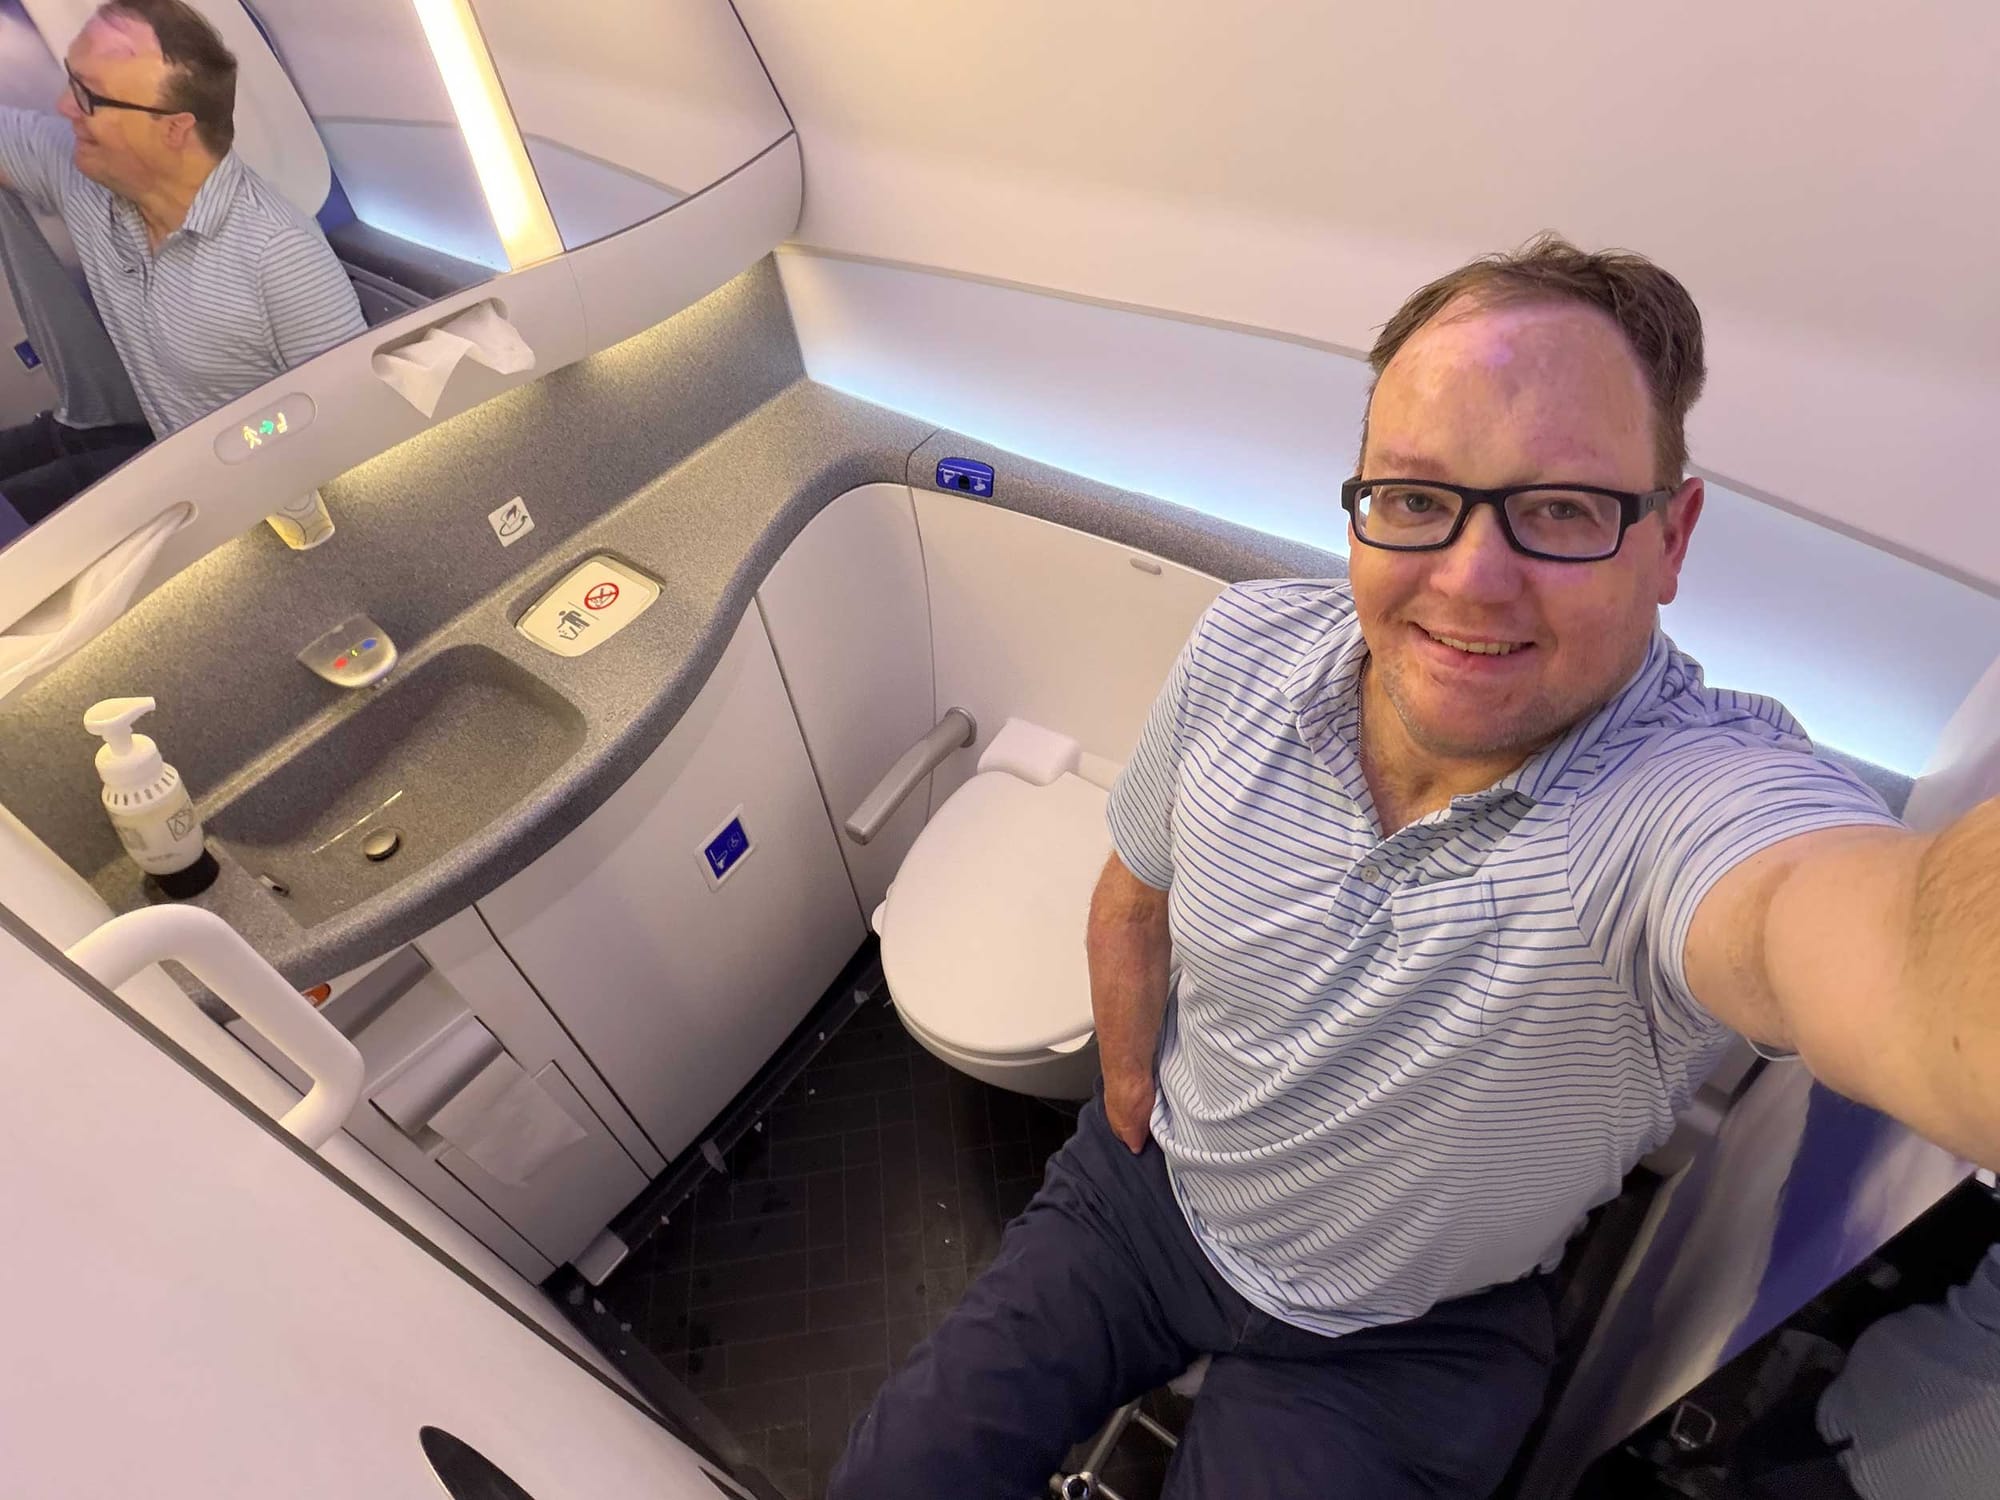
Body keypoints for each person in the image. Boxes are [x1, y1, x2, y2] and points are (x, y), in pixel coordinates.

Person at [828, 235, 2000, 1499]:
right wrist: (1125, 1100)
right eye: (1414, 497)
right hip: (1145, 1203)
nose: (1469, 579)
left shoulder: (1689, 797)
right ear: (1362, 501)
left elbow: (1871, 934)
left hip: (1413, 1334)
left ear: (1670, 537)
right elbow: (1134, 893)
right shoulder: (1239, 653)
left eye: (1560, 509)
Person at [0, 0, 363, 524]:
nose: (64, 107)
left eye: (88, 97)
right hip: (163, 465)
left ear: (172, 129)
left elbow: (355, 425)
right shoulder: (82, 174)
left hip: (254, 513)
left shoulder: (280, 255)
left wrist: (253, 436)